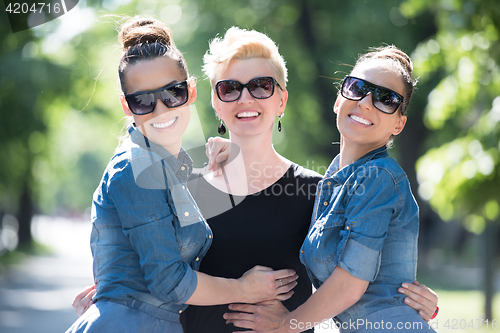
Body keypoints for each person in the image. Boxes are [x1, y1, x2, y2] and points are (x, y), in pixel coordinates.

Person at [72, 27, 438, 331]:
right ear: (215, 102)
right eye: (230, 88)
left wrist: (415, 300)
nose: (246, 98)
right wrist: (112, 295)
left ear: (281, 100)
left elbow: (352, 280)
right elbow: (154, 267)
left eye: (262, 86)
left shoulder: (317, 191)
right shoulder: (184, 180)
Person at [65, 17, 298, 333]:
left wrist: (240, 154)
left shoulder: (171, 165)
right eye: (142, 100)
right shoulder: (135, 168)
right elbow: (168, 283)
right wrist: (244, 289)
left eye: (171, 93)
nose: (161, 109)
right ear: (126, 105)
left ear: (190, 91)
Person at [224, 46, 438, 332]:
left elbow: (350, 284)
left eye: (386, 99)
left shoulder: (379, 177)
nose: (365, 102)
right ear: (339, 100)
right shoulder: (331, 184)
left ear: (399, 124)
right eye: (357, 87)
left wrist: (285, 324)